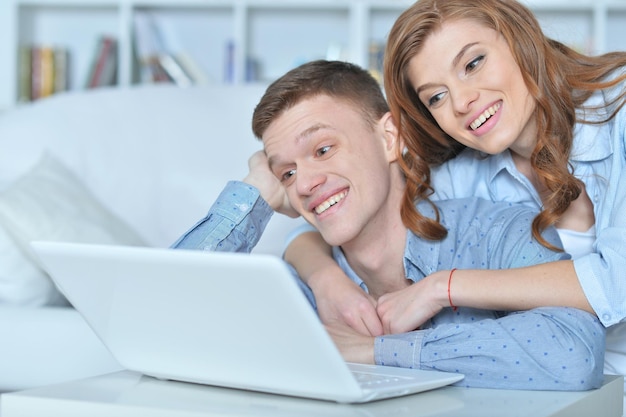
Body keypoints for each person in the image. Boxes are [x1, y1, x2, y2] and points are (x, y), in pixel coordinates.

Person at [172, 59, 604, 390]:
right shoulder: (298, 288)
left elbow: (573, 354)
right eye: (286, 173)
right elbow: (170, 322)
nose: (304, 183)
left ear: (389, 138)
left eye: (323, 150)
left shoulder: (494, 233)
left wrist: (375, 352)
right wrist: (257, 191)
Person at [282, 0, 626, 401]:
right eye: (437, 97)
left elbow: (617, 283)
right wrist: (327, 280)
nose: (462, 102)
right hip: (569, 394)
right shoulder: (464, 171)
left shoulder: (619, 111)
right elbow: (340, 216)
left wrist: (440, 287)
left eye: (473, 63)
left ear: (520, 38)